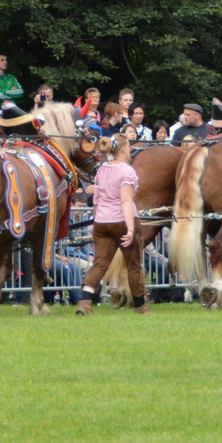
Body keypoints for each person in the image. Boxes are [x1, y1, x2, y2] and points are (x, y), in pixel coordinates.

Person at [75, 131, 146, 315]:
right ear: (123, 149)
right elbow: (126, 201)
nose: (130, 150)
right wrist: (130, 229)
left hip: (101, 222)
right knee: (134, 265)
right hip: (122, 221)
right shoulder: (127, 171)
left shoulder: (102, 169)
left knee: (99, 264)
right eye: (129, 147)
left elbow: (97, 200)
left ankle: (84, 302)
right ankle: (140, 306)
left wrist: (98, 218)